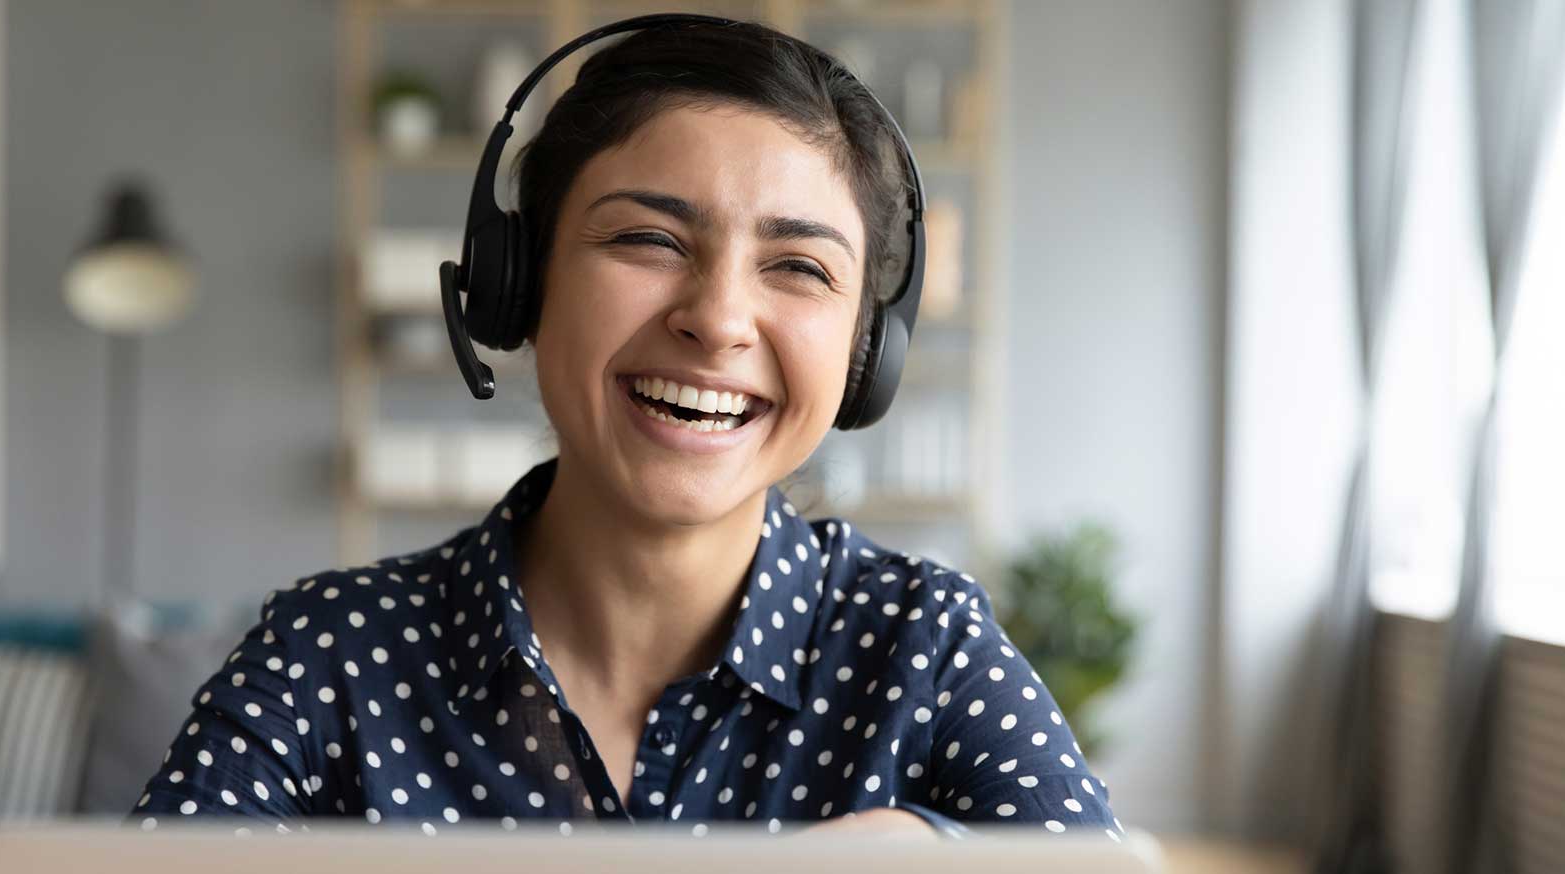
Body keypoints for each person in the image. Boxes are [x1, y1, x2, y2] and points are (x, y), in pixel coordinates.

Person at [130, 18, 1122, 841]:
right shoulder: (329, 652)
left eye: (799, 267)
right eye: (647, 239)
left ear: (866, 354)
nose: (719, 318)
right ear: (518, 285)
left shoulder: (923, 648)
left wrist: (933, 851)